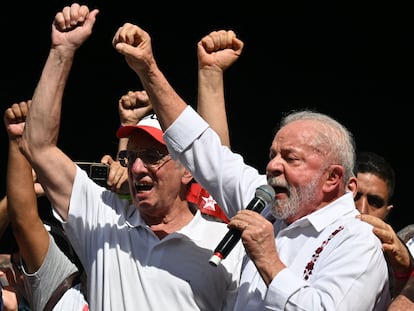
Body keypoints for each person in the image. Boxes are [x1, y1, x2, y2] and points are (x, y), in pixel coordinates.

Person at [112, 22, 391, 309]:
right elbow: (201, 147)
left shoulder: (357, 242)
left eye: (290, 158)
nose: (273, 166)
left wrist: (269, 260)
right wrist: (148, 69)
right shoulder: (268, 207)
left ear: (332, 178)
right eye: (273, 155)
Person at [20, 3, 243, 310]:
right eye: (132, 156)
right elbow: (38, 147)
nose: (137, 167)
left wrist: (210, 74)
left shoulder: (225, 243)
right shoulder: (103, 219)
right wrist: (62, 50)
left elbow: (219, 159)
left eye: (152, 155)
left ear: (189, 169)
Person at [5, 100, 89, 310]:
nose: (30, 269)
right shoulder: (61, 291)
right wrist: (19, 142)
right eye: (24, 261)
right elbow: (24, 221)